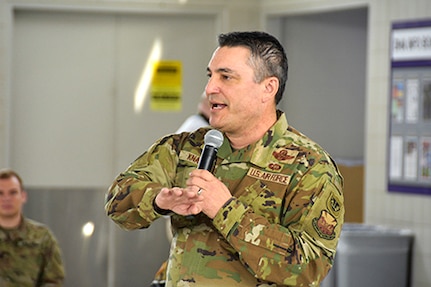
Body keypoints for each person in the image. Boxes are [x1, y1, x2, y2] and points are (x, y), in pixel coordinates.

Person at [105, 31, 344, 286]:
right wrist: (158, 200)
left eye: (226, 77)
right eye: (210, 76)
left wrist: (225, 210)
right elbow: (117, 202)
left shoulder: (309, 166)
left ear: (268, 88)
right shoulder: (185, 147)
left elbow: (309, 267)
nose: (209, 89)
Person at [0, 168, 65, 286]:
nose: (6, 198)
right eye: (0, 193)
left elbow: (54, 280)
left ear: (23, 196)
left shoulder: (42, 237)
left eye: (13, 192)